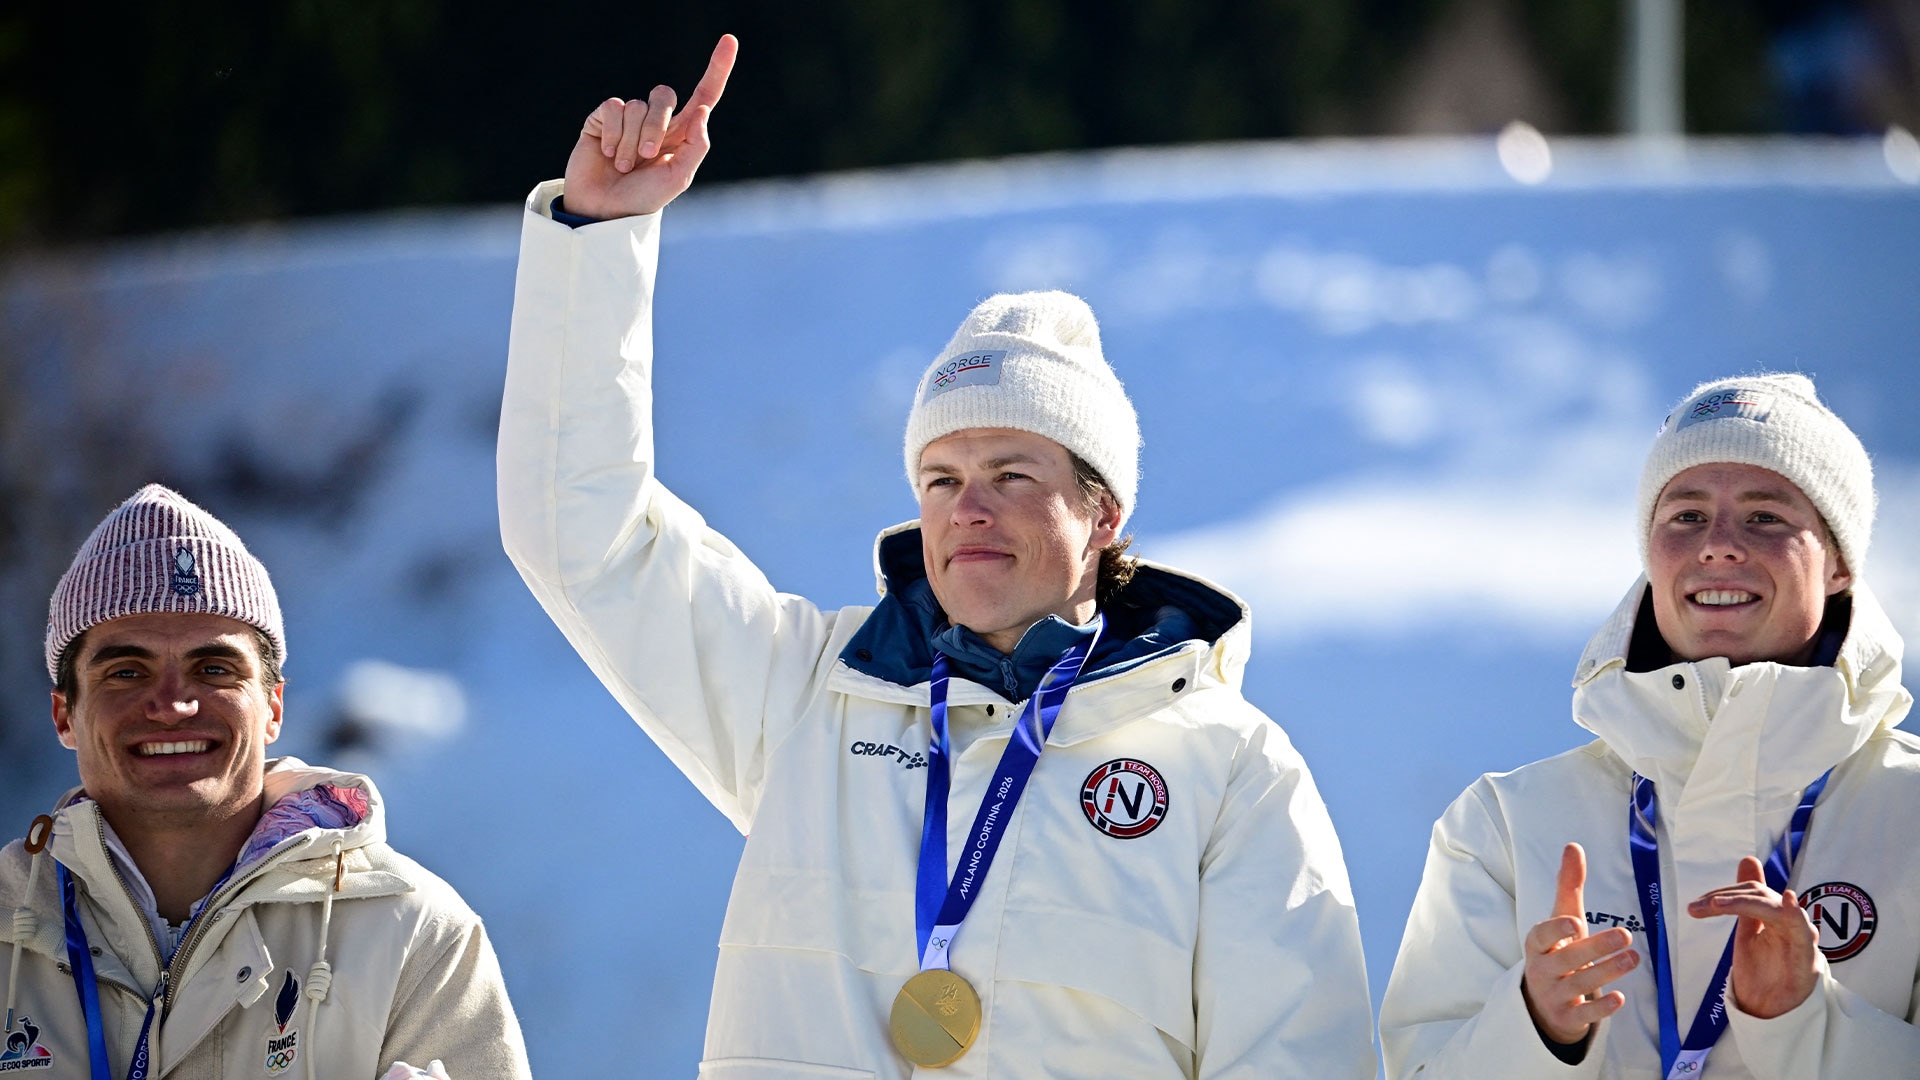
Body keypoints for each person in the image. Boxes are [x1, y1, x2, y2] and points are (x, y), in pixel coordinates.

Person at [496, 35, 1375, 1078]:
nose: (970, 511)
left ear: (1104, 513)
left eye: (1012, 473)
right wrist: (599, 238)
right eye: (941, 480)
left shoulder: (1228, 766)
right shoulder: (807, 695)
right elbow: (581, 532)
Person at [1379, 373, 1920, 1077]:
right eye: (1687, 516)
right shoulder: (1506, 824)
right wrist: (1536, 1029)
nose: (1718, 545)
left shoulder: (1908, 810)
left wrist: (1805, 1025)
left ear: (1840, 563)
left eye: (1764, 517)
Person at [0, 484, 531, 1078]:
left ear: (273, 708)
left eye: (213, 669)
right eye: (126, 671)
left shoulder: (416, 935)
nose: (172, 705)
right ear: (64, 715)